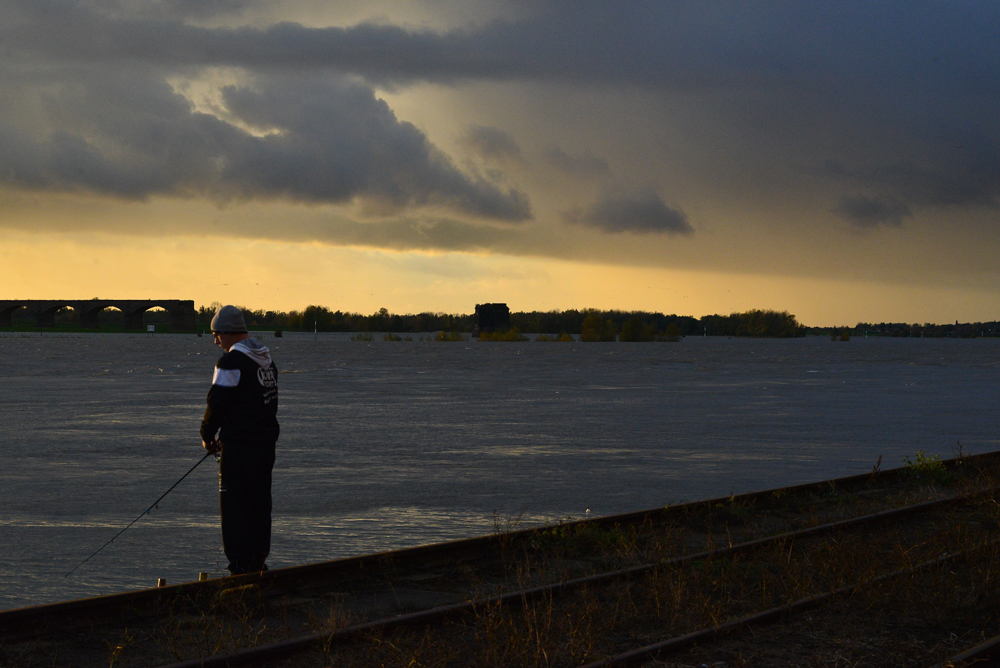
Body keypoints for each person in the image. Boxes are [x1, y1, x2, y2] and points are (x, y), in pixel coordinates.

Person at [201, 305, 279, 574]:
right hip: (265, 447)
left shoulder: (231, 362)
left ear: (228, 332)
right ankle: (258, 563)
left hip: (238, 449)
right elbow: (269, 405)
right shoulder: (267, 361)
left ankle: (239, 569)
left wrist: (207, 436)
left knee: (234, 509)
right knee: (259, 505)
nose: (215, 341)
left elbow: (217, 403)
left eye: (216, 335)